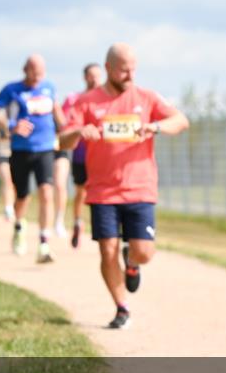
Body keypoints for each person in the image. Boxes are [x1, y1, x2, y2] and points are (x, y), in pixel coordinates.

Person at [60, 43, 188, 328]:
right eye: (123, 70)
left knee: (144, 252)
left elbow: (180, 121)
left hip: (139, 187)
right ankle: (122, 308)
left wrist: (155, 127)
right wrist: (80, 131)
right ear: (108, 68)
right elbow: (62, 140)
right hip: (102, 190)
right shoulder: (87, 101)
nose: (130, 75)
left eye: (133, 69)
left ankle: (132, 262)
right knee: (107, 250)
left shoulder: (146, 97)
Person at [0, 55, 65, 262]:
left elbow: (58, 113)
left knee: (46, 192)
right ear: (26, 70)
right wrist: (11, 126)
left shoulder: (49, 87)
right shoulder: (11, 89)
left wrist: (66, 129)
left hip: (45, 148)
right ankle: (19, 227)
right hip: (21, 150)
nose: (38, 77)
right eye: (35, 72)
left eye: (41, 72)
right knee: (22, 196)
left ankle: (44, 243)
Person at [62, 62, 103, 248]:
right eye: (91, 75)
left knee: (100, 192)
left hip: (102, 155)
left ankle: (100, 226)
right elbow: (65, 124)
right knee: (81, 191)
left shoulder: (106, 100)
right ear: (85, 77)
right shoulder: (75, 99)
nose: (95, 79)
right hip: (80, 154)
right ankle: (78, 221)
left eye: (97, 75)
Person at [0, 129, 14, 221]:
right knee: (7, 180)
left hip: (19, 150)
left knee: (15, 182)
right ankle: (8, 208)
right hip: (4, 148)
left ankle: (13, 207)